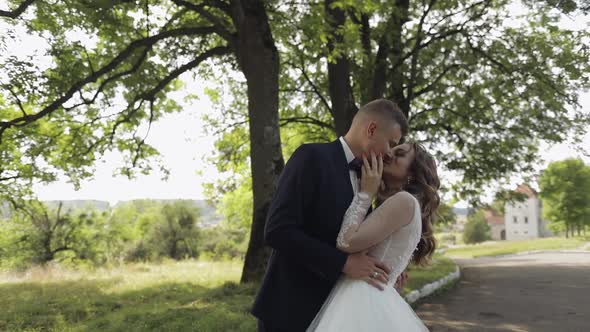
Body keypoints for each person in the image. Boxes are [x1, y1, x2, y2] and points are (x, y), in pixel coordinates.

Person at [251, 99, 410, 332]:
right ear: (372, 129)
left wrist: (386, 268)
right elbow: (278, 230)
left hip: (335, 314)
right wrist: (343, 263)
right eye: (391, 143)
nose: (389, 153)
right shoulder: (311, 157)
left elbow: (353, 241)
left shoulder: (369, 181)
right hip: (289, 311)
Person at [307, 142, 440, 331]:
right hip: (369, 296)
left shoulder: (404, 201)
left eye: (400, 154)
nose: (388, 154)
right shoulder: (401, 203)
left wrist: (365, 194)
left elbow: (346, 242)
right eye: (391, 149)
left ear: (412, 174)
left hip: (362, 298)